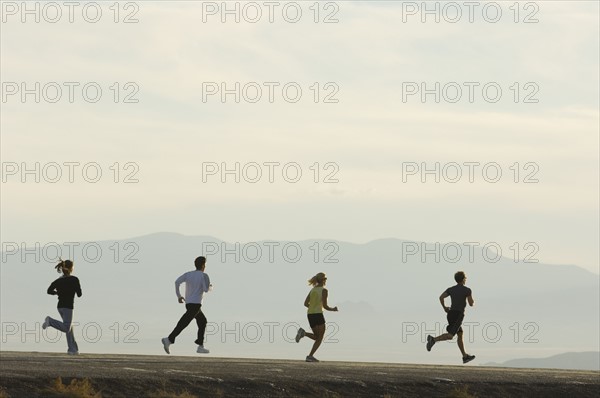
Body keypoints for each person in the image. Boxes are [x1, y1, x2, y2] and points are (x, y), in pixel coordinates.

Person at [162, 256, 211, 354]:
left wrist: (179, 296)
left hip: (189, 304)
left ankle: (200, 345)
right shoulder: (204, 276)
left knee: (202, 321)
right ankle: (169, 339)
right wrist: (210, 286)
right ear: (202, 265)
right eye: (205, 264)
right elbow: (206, 289)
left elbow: (177, 282)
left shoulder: (188, 274)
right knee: (184, 322)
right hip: (196, 304)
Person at [426, 271, 476, 364]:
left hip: (450, 314)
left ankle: (465, 356)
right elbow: (471, 304)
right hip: (458, 315)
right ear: (464, 279)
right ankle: (433, 340)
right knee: (450, 336)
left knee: (460, 333)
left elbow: (441, 297)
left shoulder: (451, 289)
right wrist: (472, 301)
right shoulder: (467, 290)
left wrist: (445, 307)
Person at [295, 272, 338, 362]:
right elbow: (325, 306)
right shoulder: (324, 290)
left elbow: (305, 303)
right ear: (323, 280)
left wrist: (312, 308)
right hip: (318, 314)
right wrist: (333, 309)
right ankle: (310, 356)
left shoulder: (313, 290)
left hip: (310, 314)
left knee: (316, 337)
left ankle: (304, 333)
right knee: (320, 338)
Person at [42, 259, 82, 355]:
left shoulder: (59, 281)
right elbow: (79, 294)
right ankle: (50, 321)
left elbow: (49, 290)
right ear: (71, 268)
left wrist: (57, 293)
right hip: (68, 306)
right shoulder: (74, 279)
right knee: (67, 328)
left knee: (69, 327)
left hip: (60, 306)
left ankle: (73, 350)